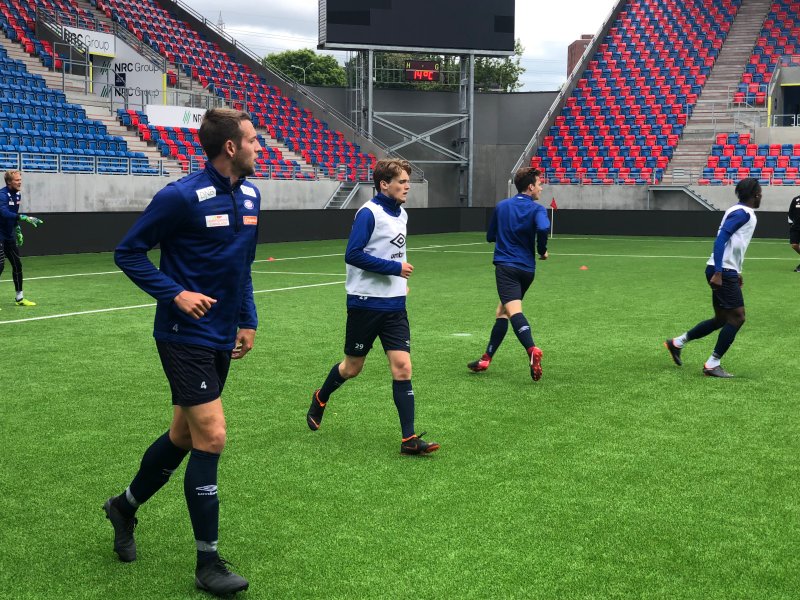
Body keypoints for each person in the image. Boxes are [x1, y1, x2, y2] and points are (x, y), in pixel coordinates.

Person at [105, 108, 262, 596]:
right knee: (211, 437)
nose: (262, 148)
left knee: (182, 434)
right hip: (182, 334)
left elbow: (243, 264)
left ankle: (124, 507)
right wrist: (174, 293)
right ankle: (208, 562)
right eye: (254, 141)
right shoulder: (179, 196)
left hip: (221, 333)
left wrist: (247, 317)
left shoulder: (254, 194)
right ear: (230, 147)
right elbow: (128, 252)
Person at [306, 158, 439, 455]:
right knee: (352, 368)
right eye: (402, 181)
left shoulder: (402, 213)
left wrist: (399, 284)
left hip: (394, 306)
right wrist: (395, 271)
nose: (407, 186)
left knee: (403, 367)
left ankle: (409, 439)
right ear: (384, 184)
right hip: (364, 304)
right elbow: (352, 255)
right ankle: (321, 396)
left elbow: (395, 251)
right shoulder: (368, 213)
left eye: (408, 181)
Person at [665, 177, 761, 378]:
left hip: (725, 269)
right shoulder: (744, 213)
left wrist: (736, 270)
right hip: (722, 271)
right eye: (760, 191)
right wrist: (719, 272)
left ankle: (677, 343)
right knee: (737, 317)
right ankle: (712, 364)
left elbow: (733, 245)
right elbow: (721, 240)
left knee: (721, 319)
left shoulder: (738, 211)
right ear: (756, 194)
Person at [467, 167, 550, 380]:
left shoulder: (502, 206)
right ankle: (486, 358)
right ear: (530, 187)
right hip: (527, 270)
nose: (541, 188)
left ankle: (532, 350)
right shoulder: (538, 209)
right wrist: (542, 250)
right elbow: (542, 228)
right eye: (540, 184)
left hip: (506, 267)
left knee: (513, 311)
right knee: (502, 311)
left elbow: (490, 236)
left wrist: (506, 235)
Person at [0, 170, 44, 307]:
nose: (20, 182)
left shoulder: (17, 194)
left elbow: (13, 214)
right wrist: (24, 217)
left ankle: (19, 298)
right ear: (9, 182)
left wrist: (17, 228)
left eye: (20, 179)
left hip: (9, 235)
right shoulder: (2, 195)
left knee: (17, 265)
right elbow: (3, 212)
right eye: (17, 180)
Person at [788, 192, 800, 271]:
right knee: (794, 245)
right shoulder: (795, 200)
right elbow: (790, 213)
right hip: (796, 227)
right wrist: (791, 224)